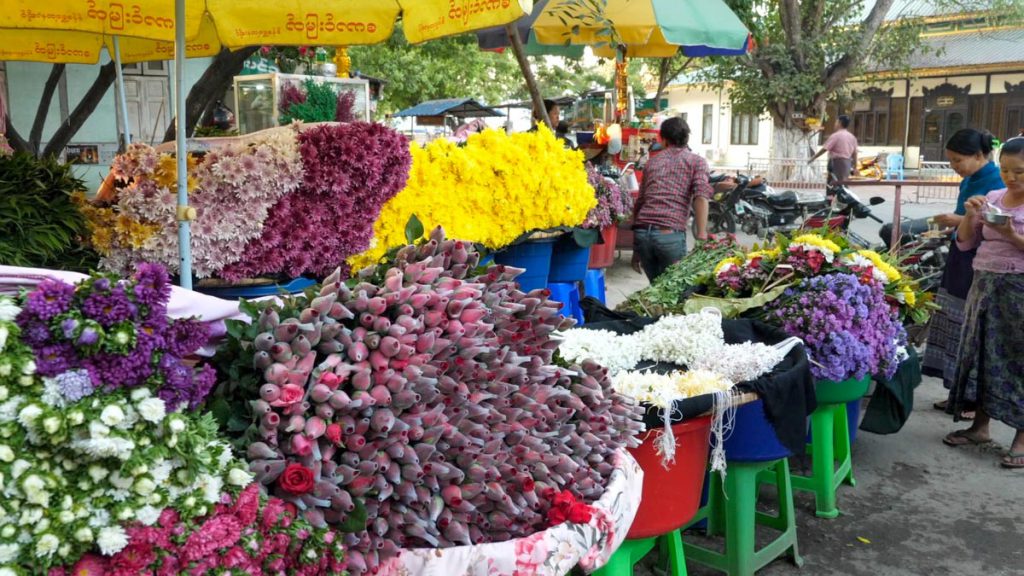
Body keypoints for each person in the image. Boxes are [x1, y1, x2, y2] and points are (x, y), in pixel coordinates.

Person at [942, 136, 1024, 469]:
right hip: (984, 286)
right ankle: (980, 427)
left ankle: (1022, 438)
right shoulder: (993, 197)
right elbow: (964, 243)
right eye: (1005, 170)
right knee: (980, 355)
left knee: (1017, 360)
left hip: (1018, 290)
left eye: (1019, 171)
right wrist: (970, 215)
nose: (1011, 177)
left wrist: (1009, 234)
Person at [924, 129, 1004, 419]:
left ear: (980, 156)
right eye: (951, 162)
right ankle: (957, 393)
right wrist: (955, 225)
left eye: (958, 160)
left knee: (971, 329)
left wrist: (958, 219)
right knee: (953, 322)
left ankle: (971, 400)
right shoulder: (971, 179)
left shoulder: (996, 182)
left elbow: (992, 224)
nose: (955, 167)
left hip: (981, 262)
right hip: (961, 252)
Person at [629, 117, 711, 282]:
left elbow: (641, 201)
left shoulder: (652, 163)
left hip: (643, 234)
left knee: (658, 290)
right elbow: (701, 196)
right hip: (669, 233)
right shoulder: (696, 162)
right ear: (687, 137)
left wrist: (636, 250)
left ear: (663, 139)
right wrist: (702, 234)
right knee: (674, 292)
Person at [808, 115, 858, 184]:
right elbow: (855, 153)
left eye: (836, 122)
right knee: (843, 183)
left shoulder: (835, 136)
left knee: (834, 184)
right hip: (847, 163)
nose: (835, 124)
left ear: (839, 123)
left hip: (836, 163)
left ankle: (832, 194)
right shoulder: (852, 137)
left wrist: (813, 158)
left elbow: (824, 149)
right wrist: (855, 167)